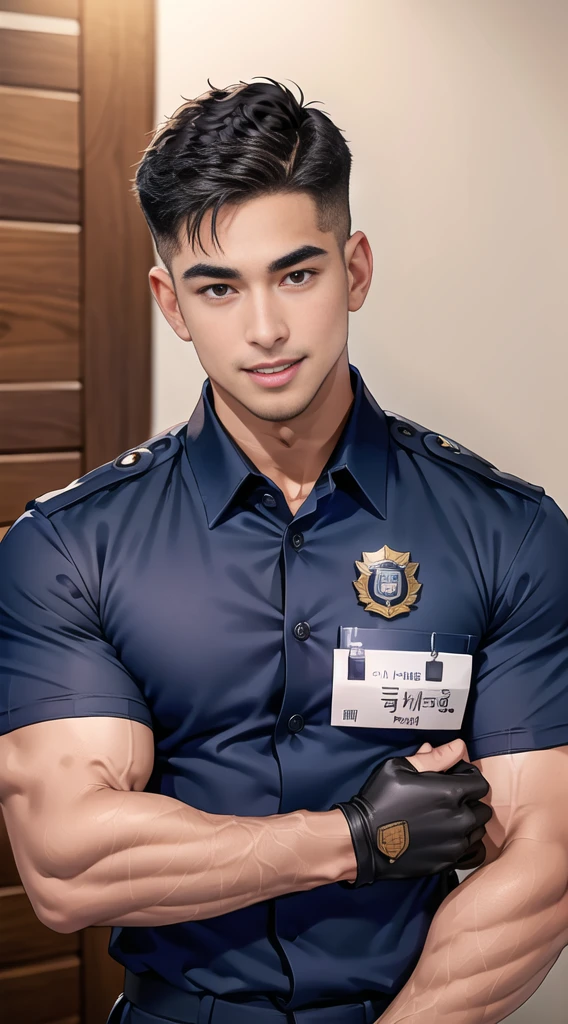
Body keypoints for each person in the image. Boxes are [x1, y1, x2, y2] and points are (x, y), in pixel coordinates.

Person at [0, 77, 567, 1024]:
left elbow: (544, 863)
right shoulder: (68, 548)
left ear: (357, 269)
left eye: (296, 274)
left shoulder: (509, 533)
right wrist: (350, 839)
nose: (264, 329)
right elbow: (70, 861)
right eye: (217, 288)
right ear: (170, 302)